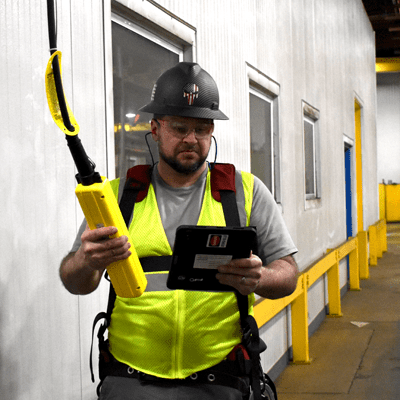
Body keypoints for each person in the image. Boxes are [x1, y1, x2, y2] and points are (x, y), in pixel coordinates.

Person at [60, 62, 298, 400]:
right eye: (179, 127)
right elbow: (74, 282)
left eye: (202, 129)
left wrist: (261, 279)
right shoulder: (117, 196)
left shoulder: (245, 192)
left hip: (221, 380)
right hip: (130, 381)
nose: (191, 139)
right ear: (155, 129)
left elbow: (288, 275)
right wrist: (86, 261)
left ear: (212, 131)